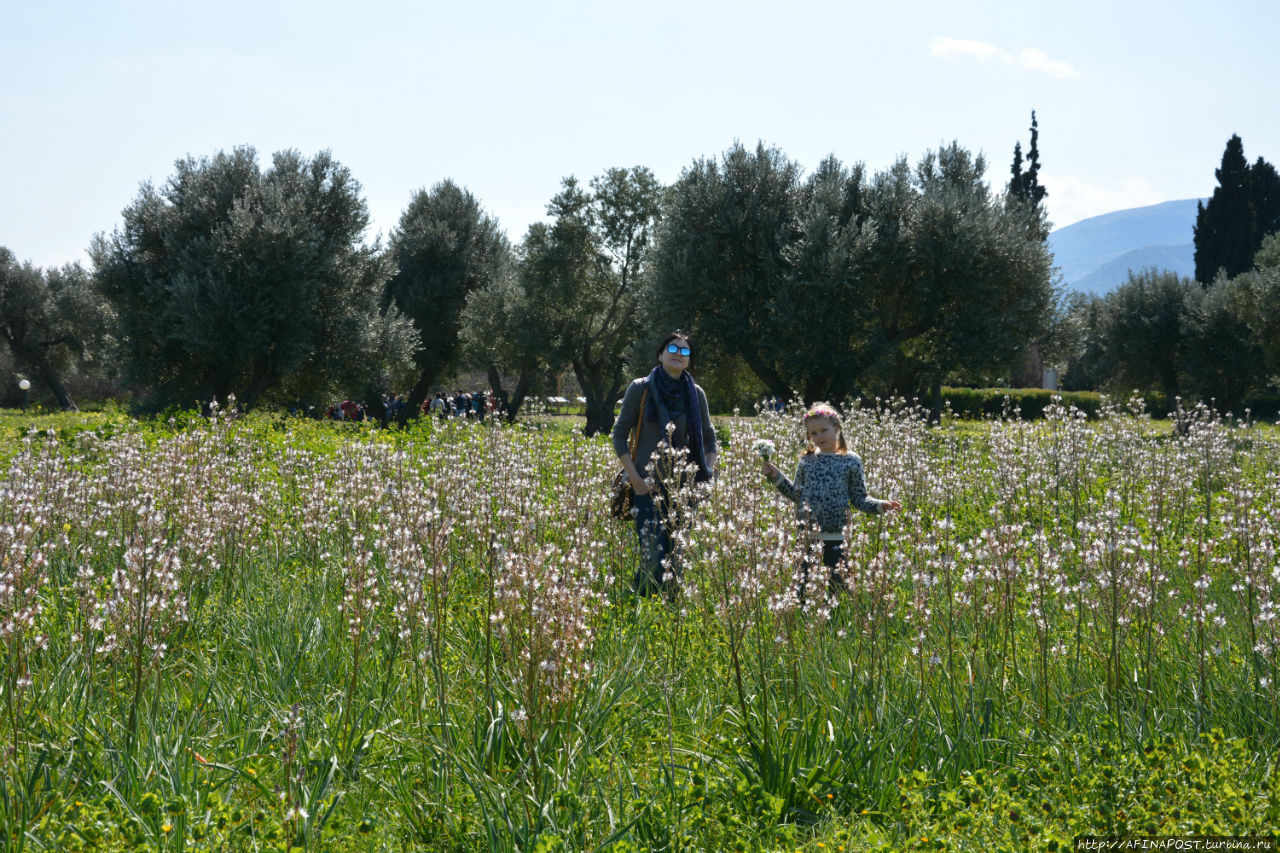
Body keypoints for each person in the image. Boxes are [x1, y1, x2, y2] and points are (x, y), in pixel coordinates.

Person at [612, 332, 718, 594]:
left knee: (677, 556)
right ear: (660, 354)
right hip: (646, 486)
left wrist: (706, 473)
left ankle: (671, 611)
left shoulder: (696, 393)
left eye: (685, 351)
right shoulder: (641, 388)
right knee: (652, 555)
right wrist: (635, 479)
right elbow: (619, 434)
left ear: (689, 361)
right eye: (672, 348)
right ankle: (640, 606)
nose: (678, 354)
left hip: (685, 489)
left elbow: (709, 436)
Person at [761, 403, 901, 596]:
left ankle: (837, 624)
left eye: (823, 430)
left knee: (838, 590)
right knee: (802, 590)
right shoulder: (806, 461)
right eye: (813, 433)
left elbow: (859, 498)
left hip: (837, 536)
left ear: (836, 428)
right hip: (807, 536)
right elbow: (797, 495)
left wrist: (879, 505)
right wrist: (776, 477)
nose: (819, 437)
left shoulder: (851, 461)